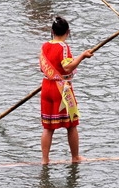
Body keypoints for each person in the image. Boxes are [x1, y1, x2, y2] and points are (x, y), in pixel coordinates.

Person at [39, 16, 93, 164]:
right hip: (60, 89)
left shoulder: (44, 46)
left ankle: (45, 159)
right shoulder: (63, 47)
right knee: (72, 124)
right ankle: (75, 157)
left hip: (46, 86)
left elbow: (42, 68)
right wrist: (82, 56)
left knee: (48, 127)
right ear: (67, 32)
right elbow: (67, 67)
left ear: (52, 31)